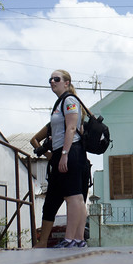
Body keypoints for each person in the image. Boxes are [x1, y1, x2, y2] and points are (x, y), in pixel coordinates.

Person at [30, 69, 88, 248]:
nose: (52, 82)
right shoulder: (61, 102)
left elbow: (71, 129)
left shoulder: (69, 100)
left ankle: (70, 239)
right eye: (50, 79)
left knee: (73, 197)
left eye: (56, 79)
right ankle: (78, 239)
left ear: (67, 83)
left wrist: (63, 154)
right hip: (67, 151)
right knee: (76, 197)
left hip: (70, 151)